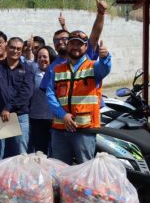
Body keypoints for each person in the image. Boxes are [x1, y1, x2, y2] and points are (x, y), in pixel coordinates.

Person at [47, 31, 111, 165]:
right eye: (72, 43)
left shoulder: (94, 66)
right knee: (60, 170)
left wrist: (105, 57)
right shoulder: (57, 70)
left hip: (85, 130)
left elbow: (105, 68)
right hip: (60, 129)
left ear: (86, 46)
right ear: (67, 45)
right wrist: (63, 115)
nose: (75, 47)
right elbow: (50, 95)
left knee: (86, 169)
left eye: (79, 44)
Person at [0, 37, 34, 166]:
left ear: (22, 51)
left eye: (19, 48)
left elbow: (26, 92)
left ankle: (20, 182)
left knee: (21, 153)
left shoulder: (27, 68)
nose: (15, 51)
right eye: (12, 47)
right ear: (6, 48)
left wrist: (8, 107)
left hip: (19, 115)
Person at [40, 1, 107, 92]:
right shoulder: (52, 68)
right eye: (56, 41)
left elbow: (95, 35)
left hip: (91, 106)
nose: (60, 42)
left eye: (64, 39)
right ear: (54, 47)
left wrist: (101, 13)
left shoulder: (84, 55)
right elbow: (49, 93)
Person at [29, 46, 57, 154]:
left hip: (55, 118)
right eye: (39, 57)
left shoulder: (57, 71)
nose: (42, 59)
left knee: (55, 151)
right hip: (37, 118)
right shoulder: (33, 71)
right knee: (40, 152)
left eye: (45, 57)